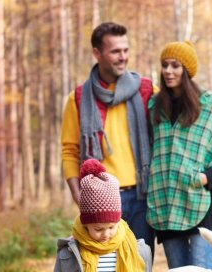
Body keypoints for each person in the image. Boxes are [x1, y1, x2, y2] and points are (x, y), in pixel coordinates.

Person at [146, 40, 212, 270]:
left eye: (175, 66)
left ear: (186, 70)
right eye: (165, 65)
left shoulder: (207, 104)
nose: (168, 71)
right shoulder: (153, 106)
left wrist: (206, 177)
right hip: (167, 201)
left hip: (201, 200)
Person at [60, 22, 156, 255]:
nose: (123, 57)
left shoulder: (145, 90)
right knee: (106, 271)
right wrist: (78, 194)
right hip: (100, 199)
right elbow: (70, 151)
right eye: (115, 51)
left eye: (125, 50)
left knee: (140, 266)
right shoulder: (79, 98)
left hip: (142, 195)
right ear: (97, 53)